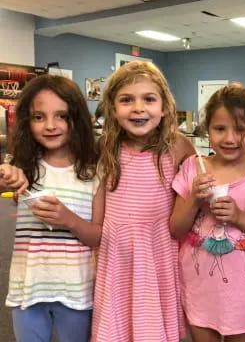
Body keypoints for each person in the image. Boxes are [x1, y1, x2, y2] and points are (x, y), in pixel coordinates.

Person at [91, 61, 195, 342]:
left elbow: (196, 190)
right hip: (117, 252)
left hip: (158, 248)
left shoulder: (178, 145)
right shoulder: (105, 147)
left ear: (164, 108)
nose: (138, 108)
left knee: (152, 325)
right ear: (113, 108)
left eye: (149, 99)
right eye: (127, 100)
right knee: (117, 323)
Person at [170, 84, 245, 342]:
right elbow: (176, 229)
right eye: (220, 129)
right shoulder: (192, 167)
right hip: (199, 285)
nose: (229, 139)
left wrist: (240, 218)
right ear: (207, 129)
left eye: (240, 129)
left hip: (243, 289)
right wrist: (195, 201)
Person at [4, 74, 104, 342]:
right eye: (39, 117)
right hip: (29, 286)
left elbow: (97, 236)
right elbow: (8, 178)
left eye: (61, 116)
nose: (50, 125)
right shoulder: (25, 165)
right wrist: (6, 173)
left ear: (77, 120)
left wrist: (69, 220)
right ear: (27, 121)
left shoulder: (94, 173)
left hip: (75, 290)